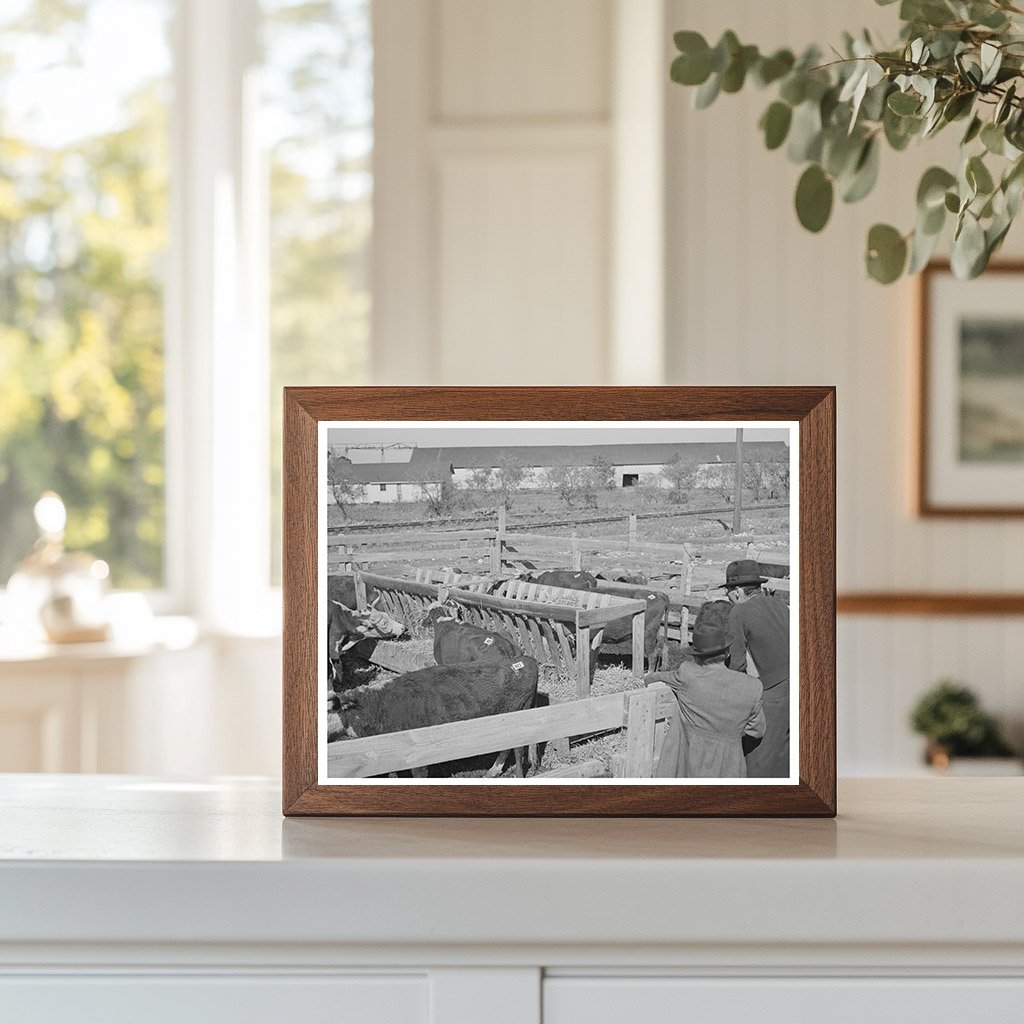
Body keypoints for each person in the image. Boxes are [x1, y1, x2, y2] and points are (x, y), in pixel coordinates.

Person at [647, 609, 765, 779]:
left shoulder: (688, 674)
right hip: (729, 766)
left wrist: (648, 679)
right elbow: (756, 730)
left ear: (696, 657)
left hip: (689, 761)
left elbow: (659, 678)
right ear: (727, 653)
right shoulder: (752, 687)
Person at [723, 559, 790, 778]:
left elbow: (737, 665)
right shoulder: (779, 603)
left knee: (758, 762)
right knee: (785, 758)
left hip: (774, 695)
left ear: (738, 591)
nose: (729, 597)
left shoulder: (739, 612)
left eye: (729, 593)